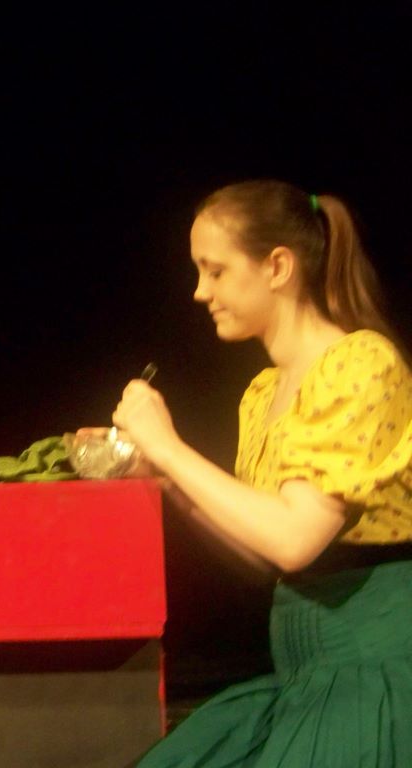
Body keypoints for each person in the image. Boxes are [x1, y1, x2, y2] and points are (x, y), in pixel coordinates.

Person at [108, 180, 412, 766]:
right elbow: (265, 553)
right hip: (305, 677)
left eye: (216, 271)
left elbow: (294, 538)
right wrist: (163, 476)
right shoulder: (263, 392)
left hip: (372, 679)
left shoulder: (361, 363)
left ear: (277, 267)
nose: (200, 291)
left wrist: (169, 447)